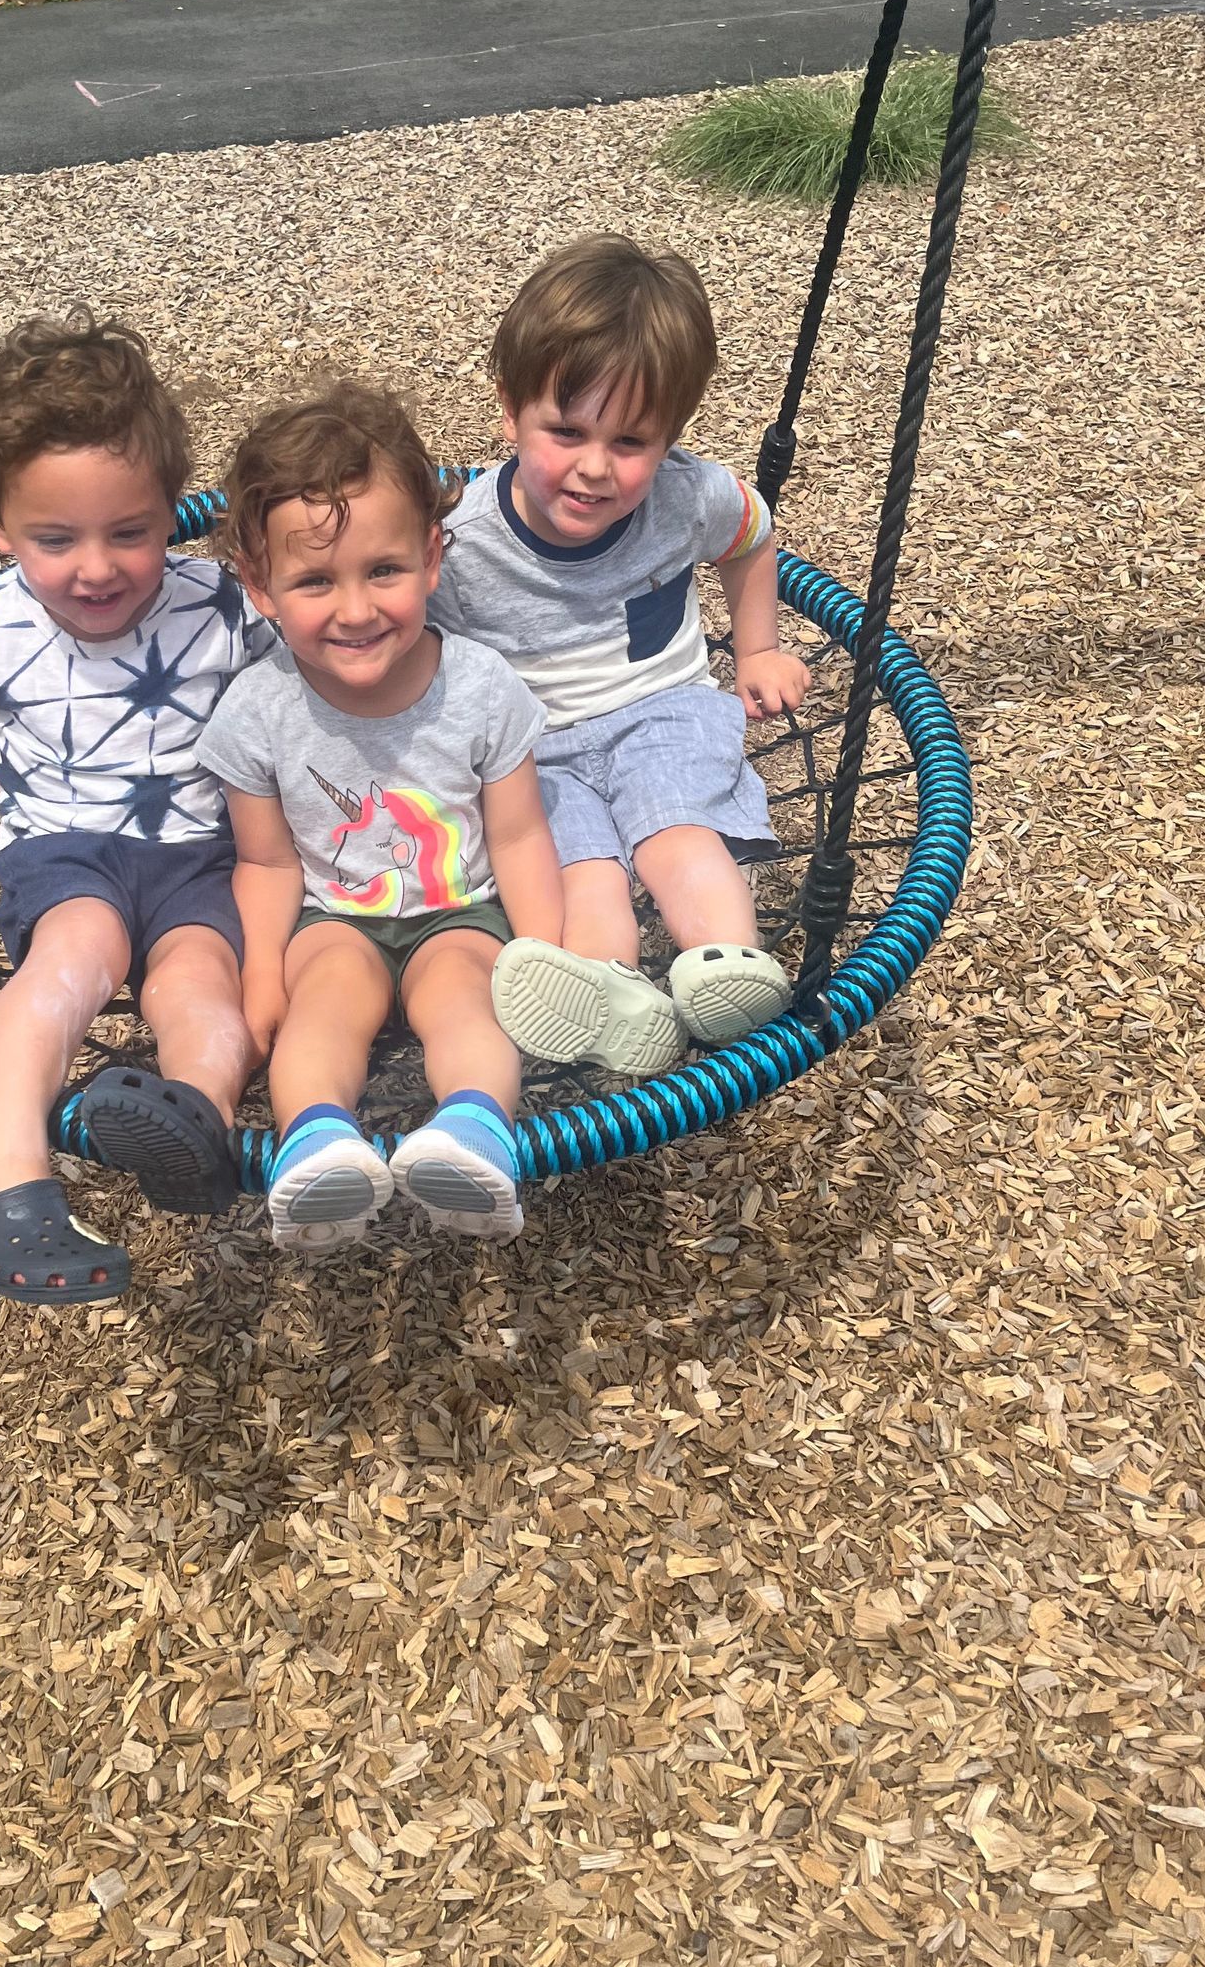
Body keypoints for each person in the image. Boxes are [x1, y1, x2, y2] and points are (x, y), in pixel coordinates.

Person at [0, 314, 268, 1307]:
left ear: (172, 510)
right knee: (75, 959)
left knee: (201, 986)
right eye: (55, 539)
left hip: (202, 858)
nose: (97, 567)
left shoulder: (217, 602)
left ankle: (195, 1124)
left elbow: (315, 680)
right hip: (68, 852)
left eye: (130, 531)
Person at [431, 234, 812, 1077]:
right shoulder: (459, 543)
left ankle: (730, 967)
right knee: (583, 865)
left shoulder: (688, 495)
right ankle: (605, 990)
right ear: (509, 410)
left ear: (671, 435)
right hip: (532, 744)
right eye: (564, 431)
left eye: (632, 443)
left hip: (662, 708)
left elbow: (751, 537)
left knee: (676, 829)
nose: (594, 468)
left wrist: (759, 648)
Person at [199, 386, 564, 1252]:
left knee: (465, 1001)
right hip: (336, 919)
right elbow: (267, 865)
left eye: (384, 572)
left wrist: (543, 957)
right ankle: (319, 1147)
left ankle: (471, 1135)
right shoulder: (258, 711)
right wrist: (260, 981)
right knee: (322, 1006)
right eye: (316, 581)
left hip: (459, 913)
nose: (356, 609)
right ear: (260, 586)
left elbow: (517, 835)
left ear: (433, 558)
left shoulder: (479, 687)